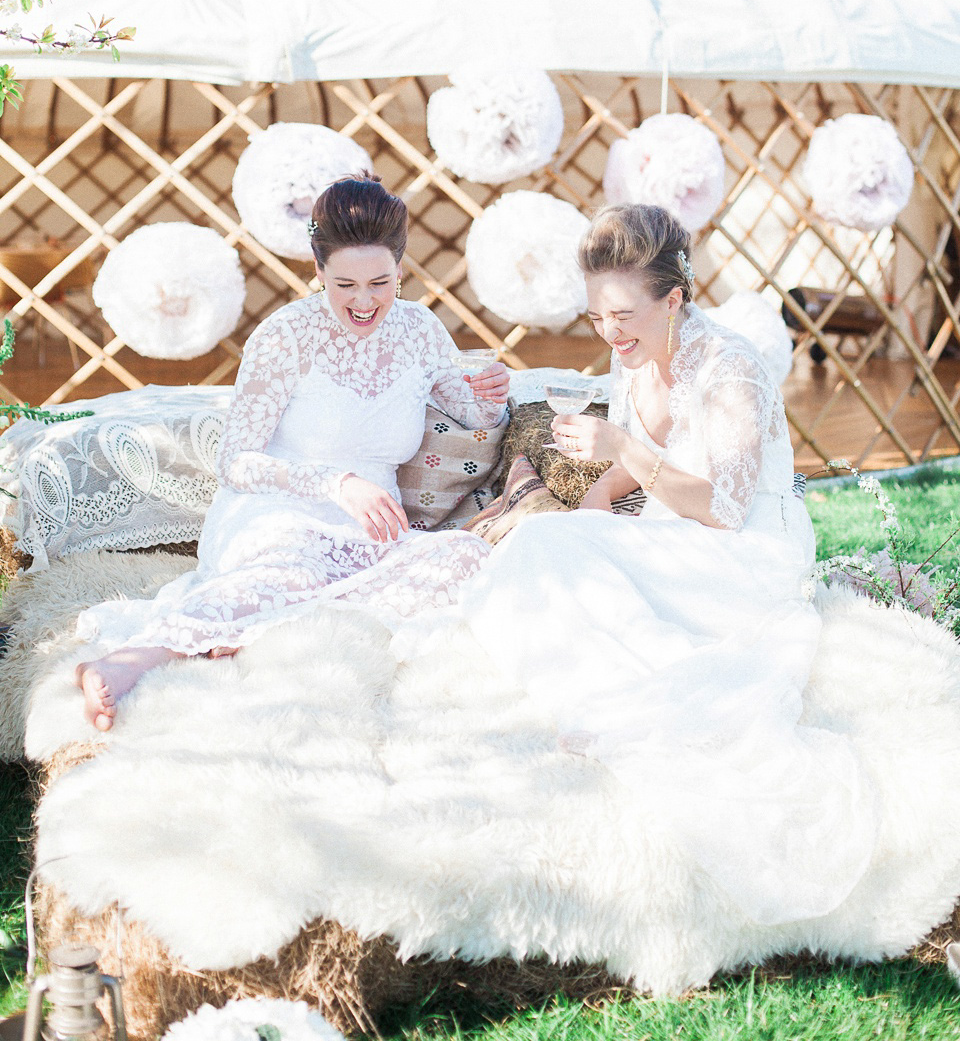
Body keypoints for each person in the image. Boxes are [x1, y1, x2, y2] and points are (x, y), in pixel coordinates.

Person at [458, 203, 876, 926]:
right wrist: (584, 516)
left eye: (623, 314)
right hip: (677, 535)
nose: (609, 331)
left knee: (544, 555)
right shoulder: (640, 360)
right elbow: (622, 478)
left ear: (674, 297)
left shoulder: (729, 367)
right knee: (537, 552)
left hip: (746, 554)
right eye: (595, 317)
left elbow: (723, 507)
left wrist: (620, 450)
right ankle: (611, 695)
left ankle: (642, 703)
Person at [75, 173, 509, 732]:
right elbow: (236, 461)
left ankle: (252, 630)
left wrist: (491, 399)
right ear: (318, 268)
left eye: (381, 282)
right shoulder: (285, 336)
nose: (364, 301)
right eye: (344, 284)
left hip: (374, 530)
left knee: (467, 561)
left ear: (401, 268)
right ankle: (126, 662)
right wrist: (336, 483)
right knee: (292, 575)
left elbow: (472, 412)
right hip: (279, 511)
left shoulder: (421, 330)